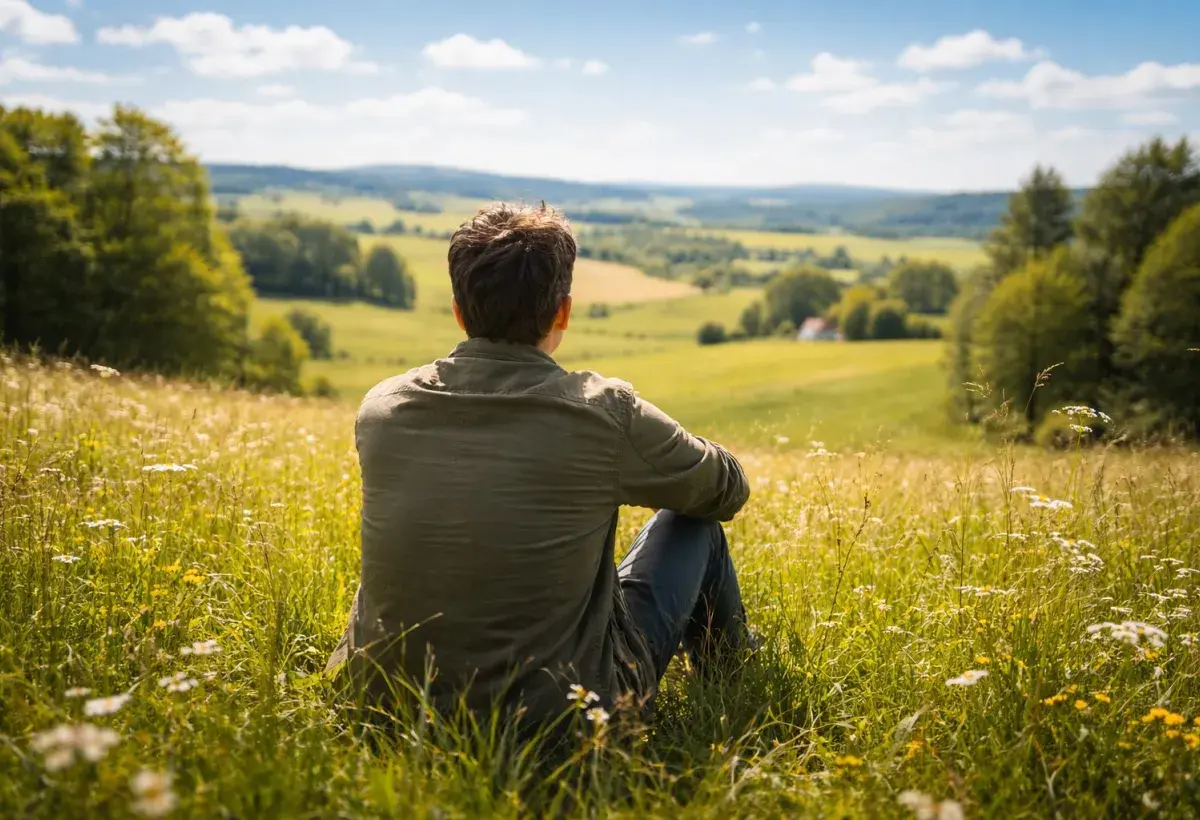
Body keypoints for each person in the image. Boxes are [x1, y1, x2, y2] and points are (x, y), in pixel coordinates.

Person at [327, 203, 751, 725]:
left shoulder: (383, 407)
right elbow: (726, 491)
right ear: (563, 312)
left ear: (460, 311)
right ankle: (735, 686)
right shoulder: (602, 412)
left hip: (384, 703)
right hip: (558, 716)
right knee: (693, 527)